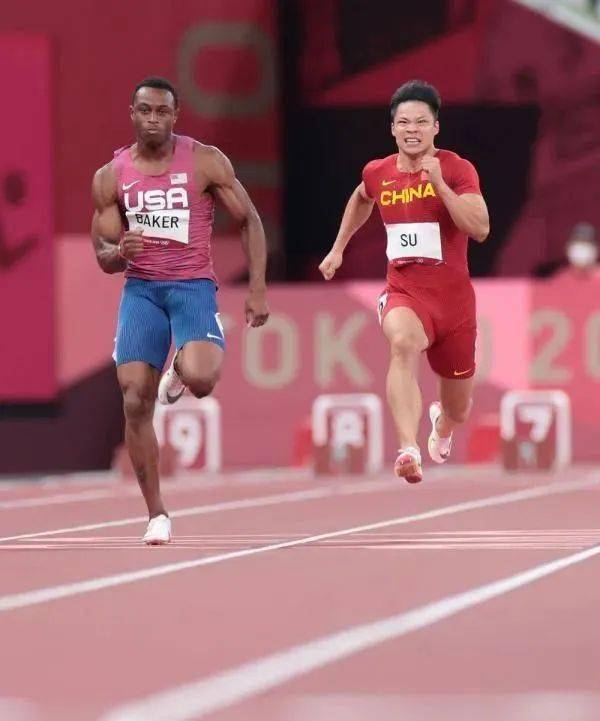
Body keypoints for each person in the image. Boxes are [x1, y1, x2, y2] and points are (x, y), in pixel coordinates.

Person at [91, 77, 269, 543]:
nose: (153, 119)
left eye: (162, 112)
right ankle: (157, 514)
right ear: (132, 113)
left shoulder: (205, 161)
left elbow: (249, 219)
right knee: (134, 398)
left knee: (203, 380)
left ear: (175, 115)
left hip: (191, 287)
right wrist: (119, 253)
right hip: (142, 291)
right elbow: (103, 253)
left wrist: (257, 288)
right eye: (145, 110)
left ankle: (179, 372)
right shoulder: (111, 176)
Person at [319, 79, 489, 483]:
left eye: (421, 122)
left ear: (436, 128)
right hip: (405, 293)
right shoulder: (378, 172)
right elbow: (361, 197)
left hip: (455, 306)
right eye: (404, 123)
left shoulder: (457, 168)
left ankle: (441, 425)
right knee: (402, 343)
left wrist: (440, 186)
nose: (413, 130)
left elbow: (480, 228)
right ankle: (408, 449)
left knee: (459, 409)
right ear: (393, 128)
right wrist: (338, 248)